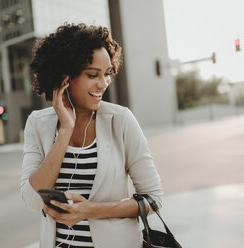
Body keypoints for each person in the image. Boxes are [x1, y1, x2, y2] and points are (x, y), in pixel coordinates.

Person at [20, 23, 163, 248]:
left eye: (107, 74)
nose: (103, 83)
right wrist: (65, 130)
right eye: (92, 74)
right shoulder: (38, 124)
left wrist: (90, 210)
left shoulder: (121, 120)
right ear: (64, 76)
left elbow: (153, 199)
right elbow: (31, 200)